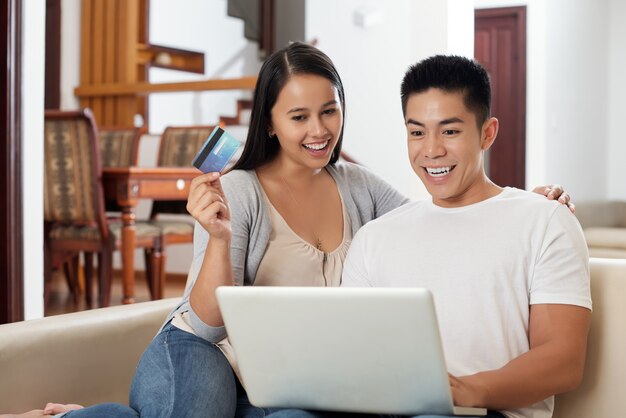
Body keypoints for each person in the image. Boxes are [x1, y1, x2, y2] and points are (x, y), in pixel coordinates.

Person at [24, 45, 571, 418]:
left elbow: (444, 210)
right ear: (269, 121)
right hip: (206, 350)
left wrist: (526, 202)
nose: (318, 130)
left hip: (292, 373)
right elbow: (208, 323)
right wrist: (217, 239)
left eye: (329, 112)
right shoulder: (237, 191)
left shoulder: (359, 186)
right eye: (299, 116)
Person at [266, 55, 591, 418]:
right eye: (417, 132)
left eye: (449, 131)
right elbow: (354, 351)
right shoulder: (376, 236)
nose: (431, 149)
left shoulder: (544, 220)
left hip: (483, 411)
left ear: (487, 133)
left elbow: (563, 360)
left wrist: (465, 390)